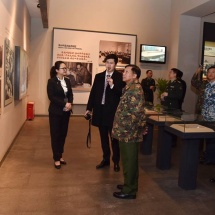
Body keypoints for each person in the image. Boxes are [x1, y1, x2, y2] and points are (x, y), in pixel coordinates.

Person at [85, 54, 124, 172]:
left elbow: (120, 94)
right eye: (107, 62)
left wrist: (112, 85)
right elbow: (93, 93)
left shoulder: (120, 77)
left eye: (111, 63)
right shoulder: (99, 76)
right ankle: (105, 159)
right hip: (100, 112)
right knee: (103, 139)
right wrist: (89, 108)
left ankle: (116, 161)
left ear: (115, 64)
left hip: (112, 113)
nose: (109, 65)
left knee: (114, 139)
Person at [112, 64, 146, 199]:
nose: (123, 74)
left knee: (130, 161)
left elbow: (137, 113)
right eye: (124, 71)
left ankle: (130, 190)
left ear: (134, 75)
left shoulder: (135, 90)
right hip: (124, 131)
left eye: (127, 72)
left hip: (129, 132)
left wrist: (140, 129)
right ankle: (128, 183)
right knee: (126, 160)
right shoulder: (129, 88)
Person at [47, 61, 73, 169]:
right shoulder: (51, 82)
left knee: (63, 134)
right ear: (57, 70)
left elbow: (70, 94)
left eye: (65, 68)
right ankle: (56, 158)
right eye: (63, 68)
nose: (65, 70)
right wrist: (64, 103)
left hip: (66, 112)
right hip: (55, 112)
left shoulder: (67, 80)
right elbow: (51, 97)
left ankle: (60, 155)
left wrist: (70, 103)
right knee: (55, 135)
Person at [200, 66, 215, 171]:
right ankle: (208, 157)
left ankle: (211, 158)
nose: (210, 74)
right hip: (206, 117)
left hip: (214, 117)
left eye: (213, 72)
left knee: (212, 140)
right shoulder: (208, 85)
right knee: (208, 139)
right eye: (209, 72)